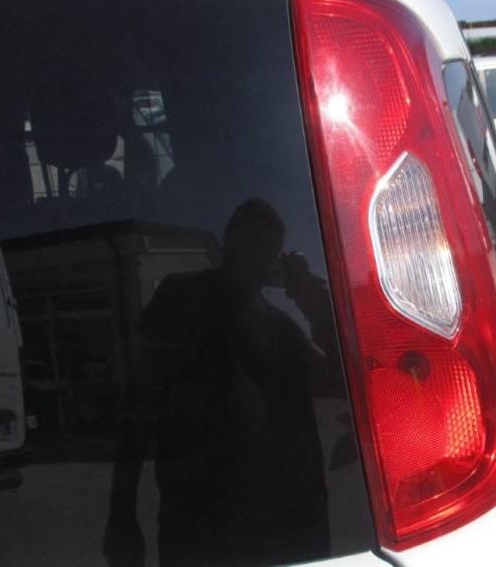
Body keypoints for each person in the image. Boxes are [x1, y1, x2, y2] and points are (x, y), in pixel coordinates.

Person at [104, 198, 335, 567]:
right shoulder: (181, 297)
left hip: (276, 531)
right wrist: (122, 512)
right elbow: (139, 402)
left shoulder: (279, 326)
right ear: (228, 245)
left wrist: (308, 291)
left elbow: (332, 378)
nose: (256, 255)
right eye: (249, 242)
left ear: (275, 262)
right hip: (198, 529)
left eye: (268, 248)